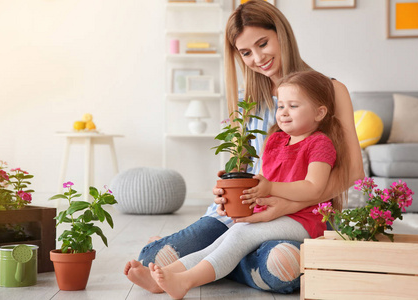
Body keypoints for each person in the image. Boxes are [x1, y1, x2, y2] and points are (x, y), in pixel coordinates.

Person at [124, 0, 363, 294]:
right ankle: (219, 263)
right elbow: (246, 169)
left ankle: (213, 265)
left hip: (297, 213)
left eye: (263, 43)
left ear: (282, 34)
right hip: (247, 212)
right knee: (151, 258)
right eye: (246, 52)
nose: (258, 57)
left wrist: (286, 204)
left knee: (281, 270)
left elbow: (353, 171)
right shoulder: (248, 98)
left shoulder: (329, 90)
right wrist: (226, 190)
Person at [146, 70, 350, 299]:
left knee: (239, 237)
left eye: (293, 106)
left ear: (319, 113)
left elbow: (315, 188)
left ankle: (186, 280)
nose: (283, 113)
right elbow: (258, 182)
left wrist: (271, 188)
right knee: (225, 237)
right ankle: (166, 275)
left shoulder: (320, 144)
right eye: (280, 106)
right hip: (274, 216)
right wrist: (231, 193)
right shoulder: (274, 140)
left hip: (305, 219)